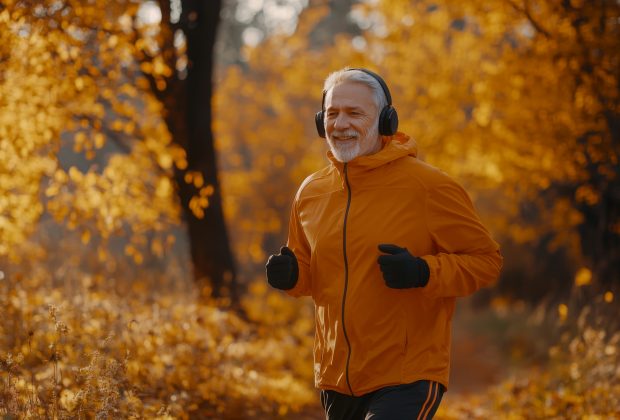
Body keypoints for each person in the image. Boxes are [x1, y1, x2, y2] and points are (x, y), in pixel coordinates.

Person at [265, 67, 503, 420]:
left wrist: (424, 271)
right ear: (321, 122)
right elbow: (312, 277)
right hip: (336, 377)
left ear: (386, 121)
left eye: (355, 113)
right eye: (332, 113)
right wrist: (292, 276)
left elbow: (486, 261)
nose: (340, 123)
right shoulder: (310, 193)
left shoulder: (428, 187)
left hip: (407, 373)